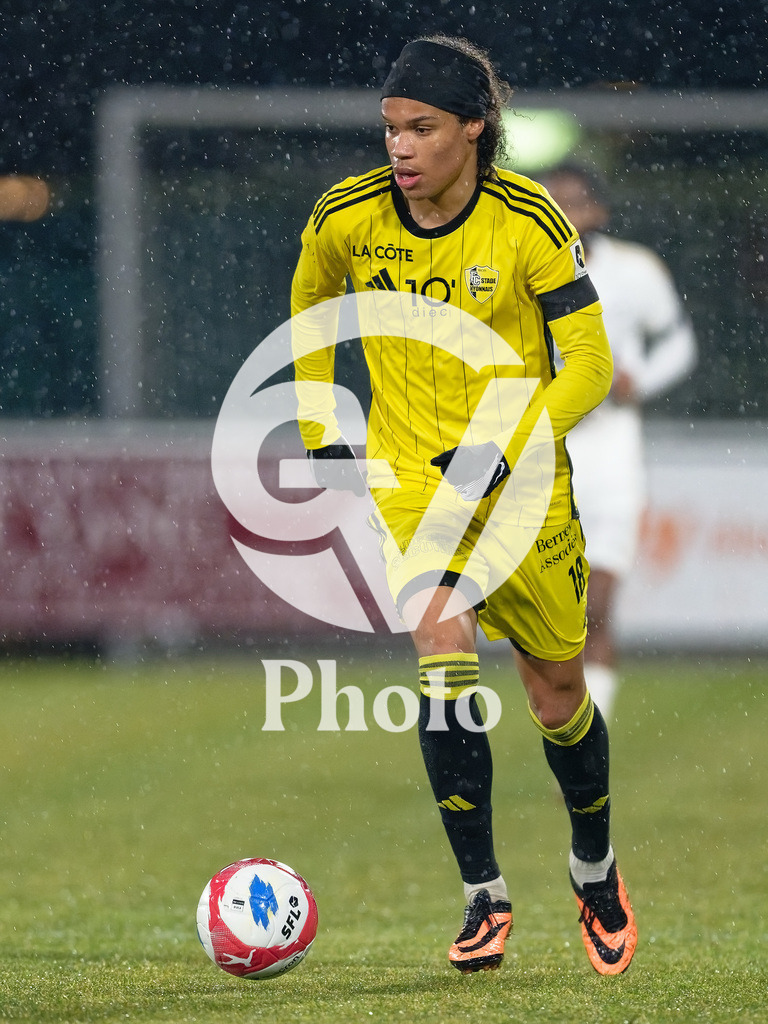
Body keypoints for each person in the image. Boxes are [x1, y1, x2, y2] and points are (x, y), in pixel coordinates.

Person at [290, 35, 636, 976]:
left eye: (422, 129)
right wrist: (323, 417)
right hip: (412, 483)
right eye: (391, 128)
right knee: (442, 652)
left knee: (555, 692)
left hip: (524, 490)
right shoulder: (349, 218)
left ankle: (593, 867)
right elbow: (313, 298)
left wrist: (509, 442)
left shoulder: (527, 221)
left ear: (474, 132)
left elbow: (592, 366)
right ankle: (483, 894)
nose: (399, 148)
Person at [539, 163, 698, 721]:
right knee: (551, 618)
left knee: (597, 607)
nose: (562, 211)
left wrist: (642, 381)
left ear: (597, 212)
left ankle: (591, 734)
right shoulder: (513, 268)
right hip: (544, 452)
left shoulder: (634, 270)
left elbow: (679, 343)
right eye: (549, 201)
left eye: (574, 201)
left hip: (611, 457)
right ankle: (563, 726)